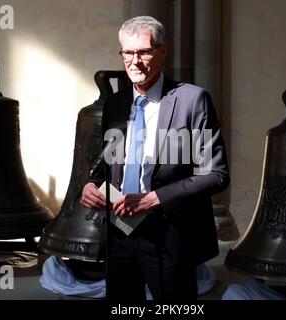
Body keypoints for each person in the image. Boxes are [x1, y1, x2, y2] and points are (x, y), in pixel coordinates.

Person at [81, 15, 230, 301]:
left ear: (162, 51)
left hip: (170, 234)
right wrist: (92, 186)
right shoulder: (115, 104)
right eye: (127, 52)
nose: (134, 61)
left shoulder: (192, 99)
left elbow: (216, 174)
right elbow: (107, 164)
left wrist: (154, 198)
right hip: (119, 232)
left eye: (144, 52)